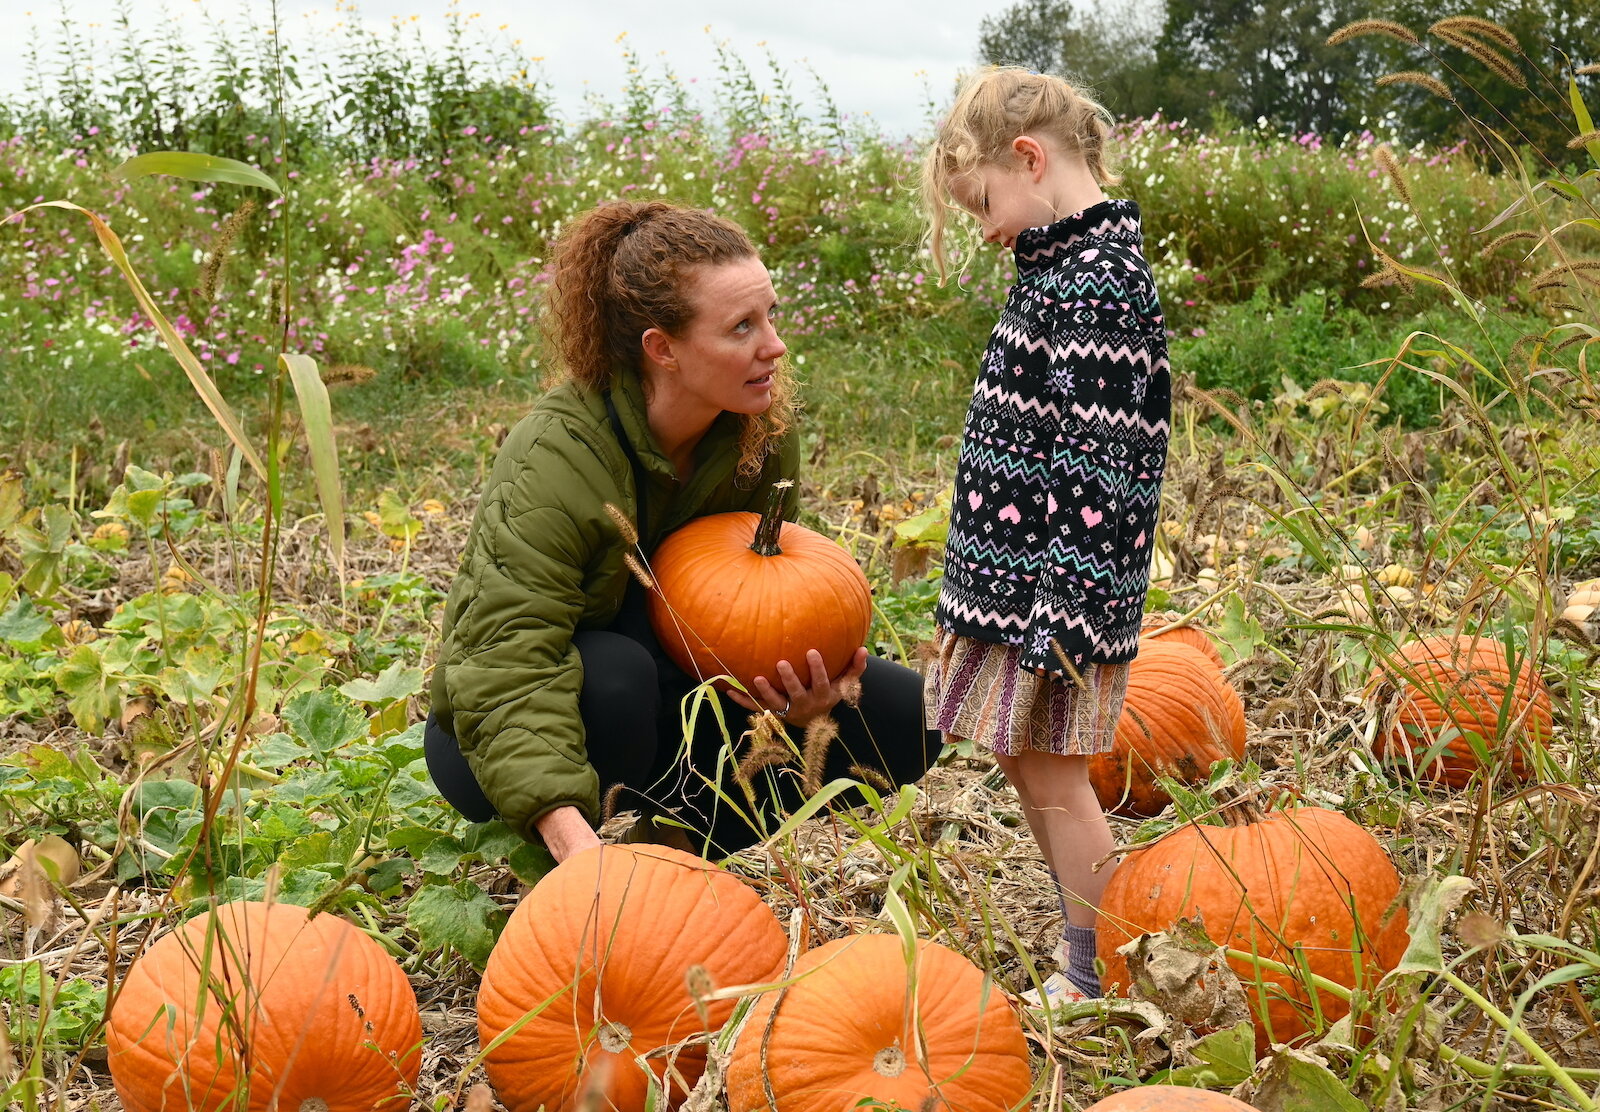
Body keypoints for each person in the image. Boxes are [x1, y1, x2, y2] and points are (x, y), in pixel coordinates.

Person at [425, 200, 938, 863]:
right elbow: (504, 663)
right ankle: (585, 831)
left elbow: (767, 602)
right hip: (510, 718)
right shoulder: (553, 456)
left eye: (772, 315)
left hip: (685, 686)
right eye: (742, 327)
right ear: (662, 349)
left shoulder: (761, 433)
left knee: (907, 720)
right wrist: (575, 849)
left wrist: (804, 690)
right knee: (618, 679)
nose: (774, 346)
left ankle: (693, 832)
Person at [919, 68, 1172, 1004]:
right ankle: (1087, 952)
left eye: (984, 203)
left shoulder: (1099, 286)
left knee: (1060, 783)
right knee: (1028, 769)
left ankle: (1102, 966)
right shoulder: (1059, 275)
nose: (985, 230)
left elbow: (1105, 467)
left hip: (1053, 600)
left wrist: (1061, 612)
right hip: (1010, 589)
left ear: (1029, 159)